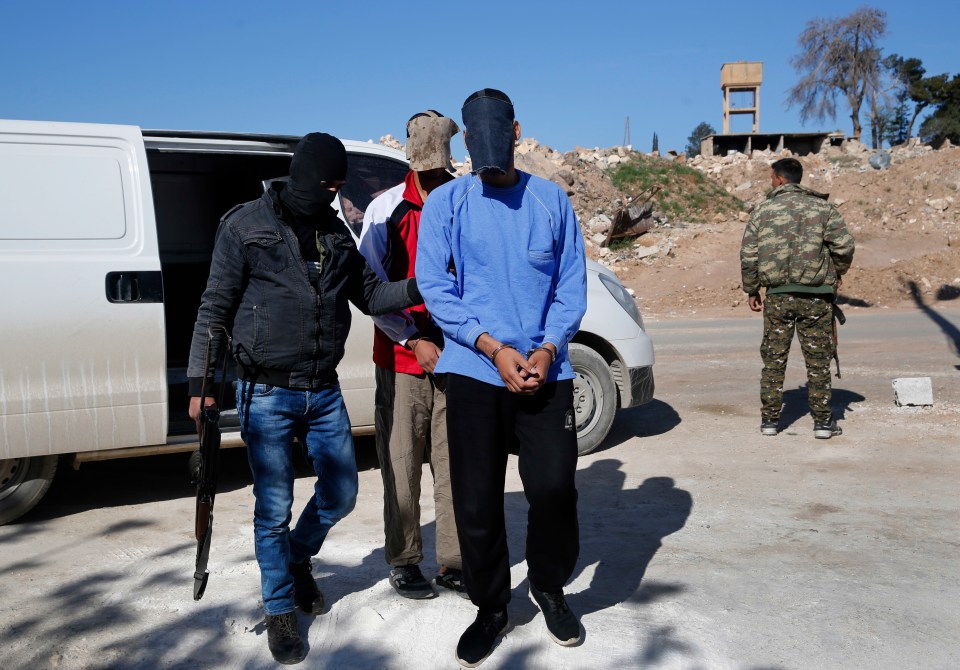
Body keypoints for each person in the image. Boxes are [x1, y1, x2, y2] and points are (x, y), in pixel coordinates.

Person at [186, 132, 421, 665]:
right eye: (329, 184)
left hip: (322, 388)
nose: (335, 195)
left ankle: (296, 557)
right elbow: (214, 308)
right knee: (272, 508)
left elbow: (372, 295)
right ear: (304, 177)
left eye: (340, 186)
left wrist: (421, 285)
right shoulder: (244, 225)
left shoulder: (335, 232)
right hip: (264, 389)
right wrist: (200, 389)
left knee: (340, 494)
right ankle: (280, 610)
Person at [416, 89, 588, 667]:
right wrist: (491, 348)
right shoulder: (448, 203)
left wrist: (546, 348)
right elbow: (436, 288)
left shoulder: (550, 201)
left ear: (517, 131)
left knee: (554, 490)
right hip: (474, 369)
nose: (489, 148)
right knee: (477, 499)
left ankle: (550, 588)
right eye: (476, 137)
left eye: (500, 134)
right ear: (465, 140)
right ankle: (491, 608)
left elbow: (571, 285)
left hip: (547, 370)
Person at [358, 110, 465, 600]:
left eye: (439, 167)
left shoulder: (465, 201)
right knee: (401, 463)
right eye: (424, 167)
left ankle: (455, 561)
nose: (431, 176)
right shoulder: (385, 210)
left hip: (461, 355)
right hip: (403, 359)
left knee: (454, 463)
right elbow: (370, 291)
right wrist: (412, 340)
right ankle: (403, 560)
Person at [740, 157, 855, 439]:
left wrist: (752, 289)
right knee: (817, 361)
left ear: (779, 179)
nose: (770, 182)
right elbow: (845, 245)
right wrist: (836, 273)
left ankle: (769, 421)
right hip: (816, 298)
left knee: (774, 359)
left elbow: (749, 254)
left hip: (778, 297)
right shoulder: (823, 208)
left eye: (771, 177)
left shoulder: (763, 210)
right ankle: (823, 423)